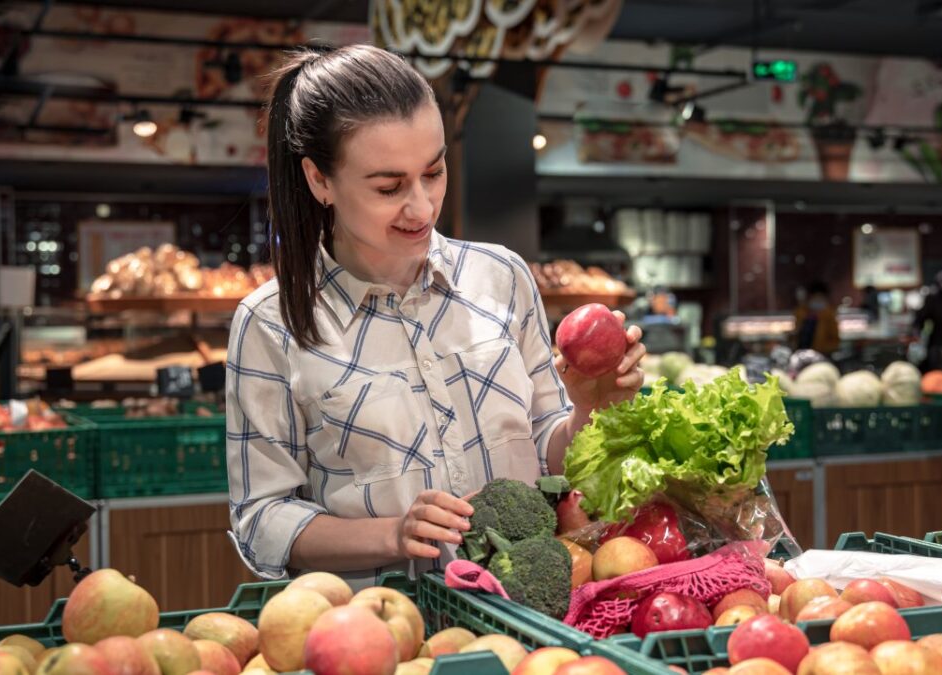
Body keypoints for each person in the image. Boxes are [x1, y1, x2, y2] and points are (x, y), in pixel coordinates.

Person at [225, 45, 645, 589]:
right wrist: (395, 533)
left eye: (435, 172)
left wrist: (590, 407)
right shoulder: (269, 324)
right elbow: (262, 519)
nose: (422, 207)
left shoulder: (502, 277)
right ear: (319, 180)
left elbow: (551, 456)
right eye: (389, 187)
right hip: (382, 633)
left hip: (530, 620)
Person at [794, 281, 840, 356]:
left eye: (821, 298)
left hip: (822, 354)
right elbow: (796, 333)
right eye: (815, 297)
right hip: (801, 353)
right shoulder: (801, 312)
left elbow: (835, 338)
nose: (818, 300)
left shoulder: (829, 314)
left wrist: (826, 351)